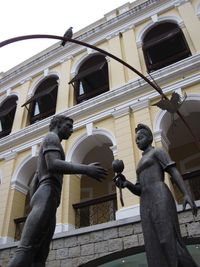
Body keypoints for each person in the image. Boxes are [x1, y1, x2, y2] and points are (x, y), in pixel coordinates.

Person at [8, 115, 107, 267]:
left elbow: (35, 178)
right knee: (26, 250)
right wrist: (86, 169)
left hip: (48, 197)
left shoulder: (52, 142)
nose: (72, 130)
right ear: (58, 125)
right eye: (69, 126)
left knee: (40, 256)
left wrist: (36, 198)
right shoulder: (51, 137)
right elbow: (53, 164)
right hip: (47, 195)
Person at [113, 123, 199, 267]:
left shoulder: (157, 152)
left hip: (160, 194)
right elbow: (139, 190)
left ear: (149, 137)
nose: (137, 141)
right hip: (145, 200)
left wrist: (186, 193)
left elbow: (173, 171)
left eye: (140, 138)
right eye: (136, 140)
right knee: (153, 243)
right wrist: (126, 183)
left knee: (168, 239)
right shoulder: (140, 163)